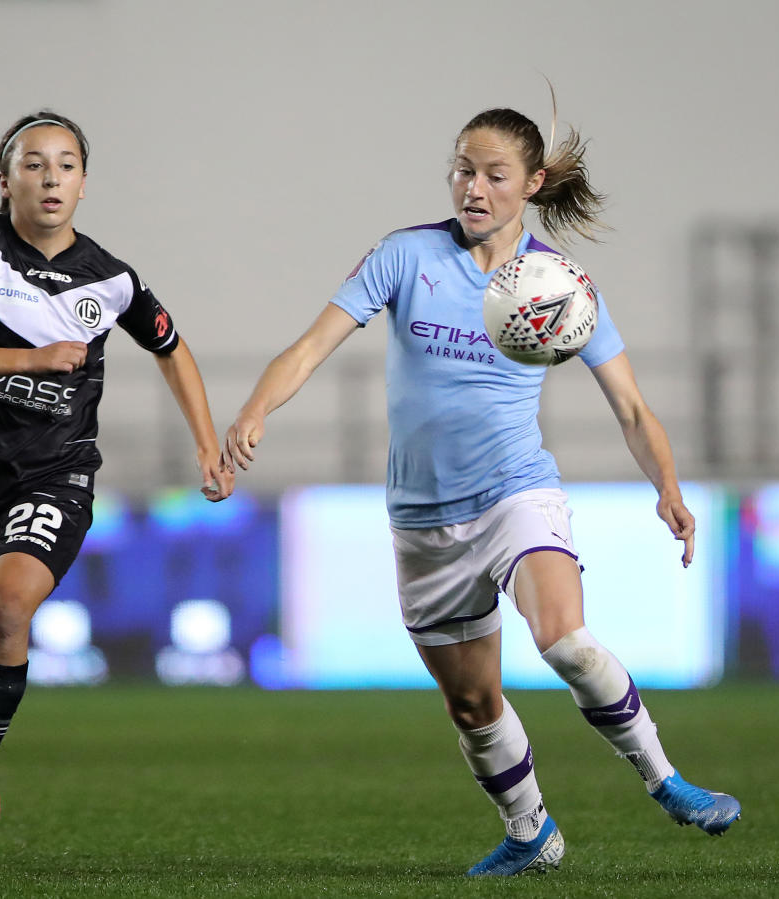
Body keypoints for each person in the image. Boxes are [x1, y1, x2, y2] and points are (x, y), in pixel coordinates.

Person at [223, 106, 740, 876]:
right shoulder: (406, 257)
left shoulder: (558, 285)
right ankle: (530, 830)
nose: (474, 186)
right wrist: (254, 412)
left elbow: (631, 405)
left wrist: (667, 486)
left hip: (514, 493)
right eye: (464, 168)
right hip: (423, 518)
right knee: (472, 703)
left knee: (564, 638)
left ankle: (666, 780)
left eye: (495, 174)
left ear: (530, 184)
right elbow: (310, 346)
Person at [0, 110, 234, 847]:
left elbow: (170, 348)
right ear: (6, 180)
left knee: (9, 607)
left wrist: (207, 446)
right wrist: (32, 358)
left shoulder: (111, 277)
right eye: (33, 163)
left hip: (53, 475)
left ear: (84, 184)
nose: (50, 176)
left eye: (66, 164)